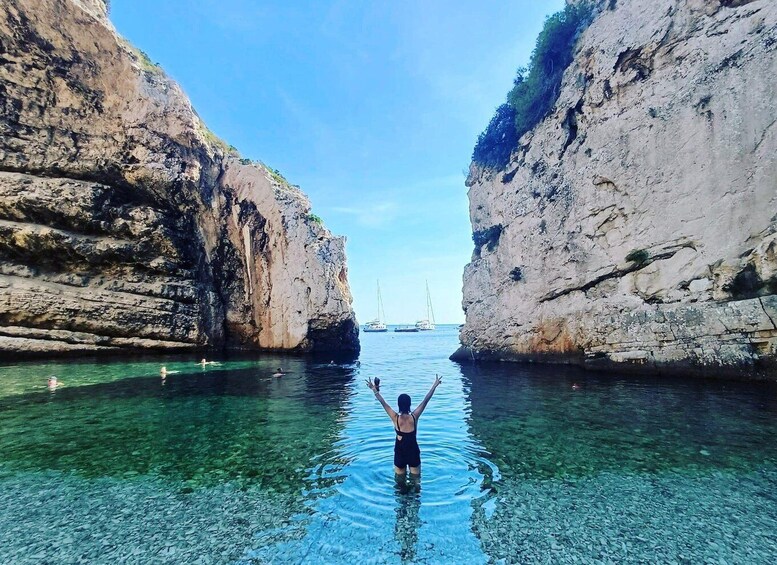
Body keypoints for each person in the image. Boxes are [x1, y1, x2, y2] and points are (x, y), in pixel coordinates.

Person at [365, 375, 442, 479]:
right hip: (413, 451)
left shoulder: (395, 417)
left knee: (399, 482)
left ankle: (402, 494)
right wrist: (434, 385)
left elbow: (383, 402)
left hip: (400, 452)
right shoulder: (414, 417)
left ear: (399, 404)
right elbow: (426, 400)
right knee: (416, 482)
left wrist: (374, 389)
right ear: (409, 404)